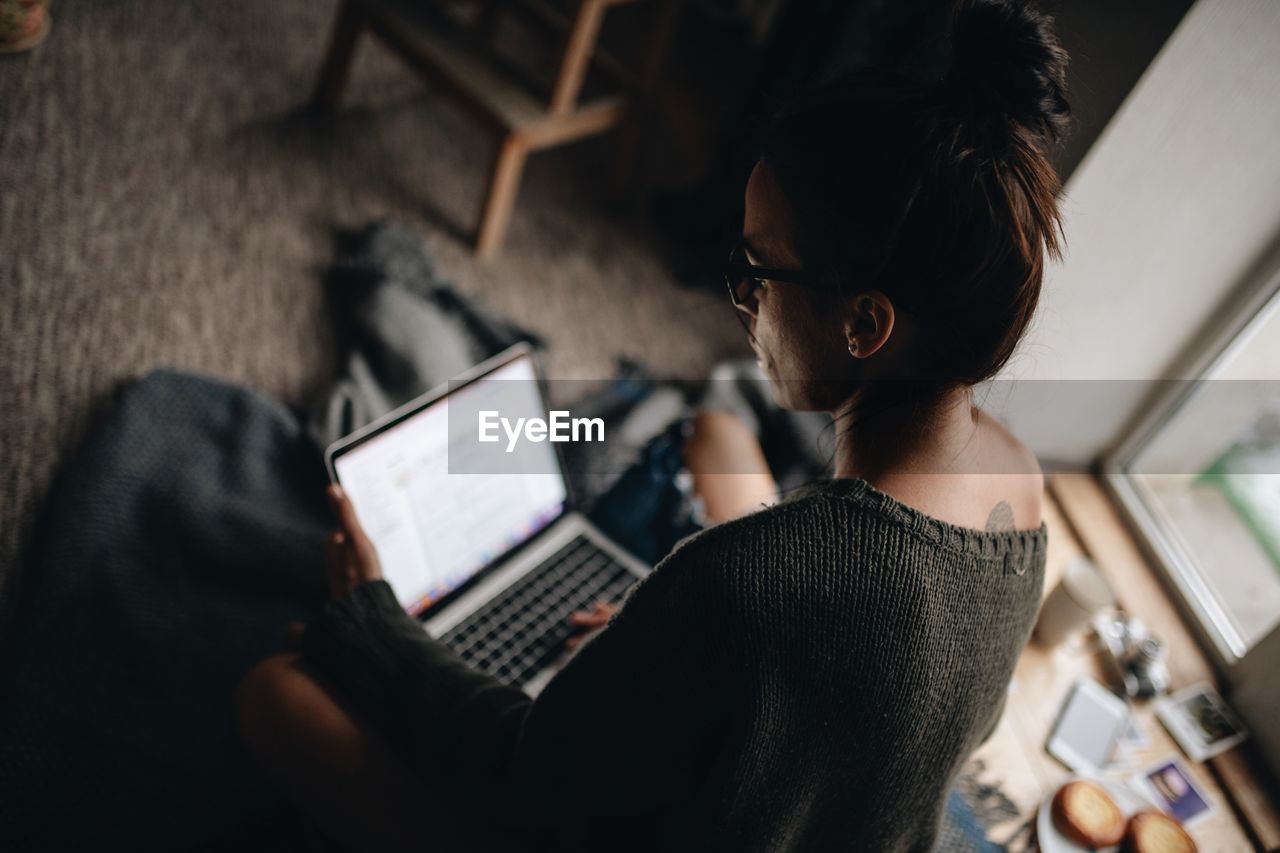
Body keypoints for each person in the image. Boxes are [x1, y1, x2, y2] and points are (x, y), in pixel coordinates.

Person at [235, 0, 1068, 849]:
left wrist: (372, 624)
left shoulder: (747, 582)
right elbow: (887, 697)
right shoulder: (1019, 486)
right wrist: (671, 667)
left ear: (864, 325)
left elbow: (524, 779)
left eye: (756, 267)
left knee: (276, 692)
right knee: (714, 437)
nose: (742, 302)